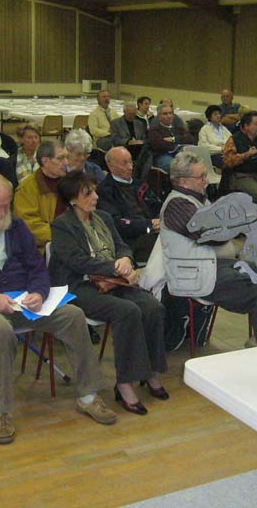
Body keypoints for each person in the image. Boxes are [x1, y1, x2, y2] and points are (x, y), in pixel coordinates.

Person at [0, 173, 117, 443]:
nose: (2, 212)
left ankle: (88, 395)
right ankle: (1, 412)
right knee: (0, 331)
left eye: (6, 205)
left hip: (21, 302)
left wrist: (38, 292)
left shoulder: (16, 225)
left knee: (73, 315)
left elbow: (37, 267)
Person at [50, 170, 168, 416]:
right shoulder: (62, 225)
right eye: (88, 193)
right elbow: (76, 261)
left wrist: (125, 259)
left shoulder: (103, 217)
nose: (95, 197)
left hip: (112, 280)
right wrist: (115, 266)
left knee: (153, 307)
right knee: (127, 311)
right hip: (79, 285)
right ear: (72, 200)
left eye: (94, 191)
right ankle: (125, 383)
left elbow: (122, 245)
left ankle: (149, 372)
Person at [160, 152, 257, 345]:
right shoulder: (177, 205)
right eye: (201, 177)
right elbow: (210, 236)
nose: (207, 181)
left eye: (205, 175)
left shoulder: (197, 199)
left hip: (212, 265)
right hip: (193, 276)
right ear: (184, 182)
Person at [96, 146, 161, 263]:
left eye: (131, 162)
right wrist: (149, 225)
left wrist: (160, 221)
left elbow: (158, 206)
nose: (130, 167)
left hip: (155, 231)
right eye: (124, 163)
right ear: (111, 166)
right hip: (131, 242)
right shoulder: (105, 191)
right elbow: (116, 224)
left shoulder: (140, 184)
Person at [13, 139, 69, 251]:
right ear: (45, 161)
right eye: (60, 158)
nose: (66, 162)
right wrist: (63, 235)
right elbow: (29, 225)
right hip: (46, 247)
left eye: (67, 157)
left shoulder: (72, 182)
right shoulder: (27, 189)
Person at [148, 102, 192, 171]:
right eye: (165, 114)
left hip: (180, 155)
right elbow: (159, 145)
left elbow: (190, 139)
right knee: (179, 167)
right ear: (159, 116)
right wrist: (178, 143)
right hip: (162, 156)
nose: (169, 116)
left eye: (170, 113)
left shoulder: (179, 129)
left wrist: (174, 139)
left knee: (194, 164)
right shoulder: (154, 130)